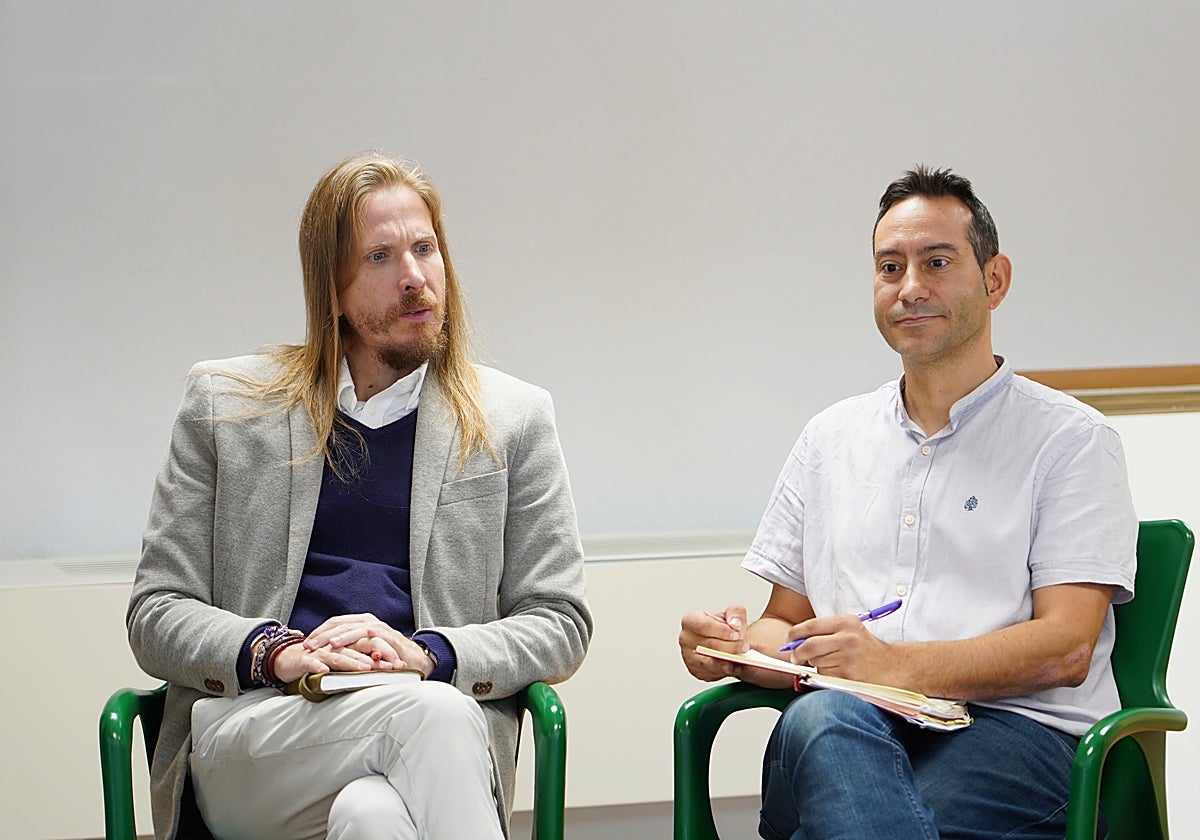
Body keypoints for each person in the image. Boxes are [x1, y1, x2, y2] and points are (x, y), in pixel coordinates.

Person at [128, 151, 592, 840]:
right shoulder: (227, 406)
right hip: (260, 727)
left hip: (425, 719)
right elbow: (156, 610)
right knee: (431, 718)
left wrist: (429, 654)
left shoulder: (514, 418)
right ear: (332, 287)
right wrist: (276, 650)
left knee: (374, 819)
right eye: (380, 257)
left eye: (425, 248)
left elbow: (560, 620)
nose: (414, 278)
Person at [679, 165, 1137, 839]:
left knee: (844, 807)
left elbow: (1066, 648)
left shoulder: (1071, 439)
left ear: (995, 279)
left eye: (937, 261)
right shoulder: (828, 439)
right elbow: (787, 624)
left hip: (1016, 732)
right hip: (845, 724)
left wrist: (891, 664)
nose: (910, 288)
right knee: (823, 721)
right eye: (890, 267)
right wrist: (735, 646)